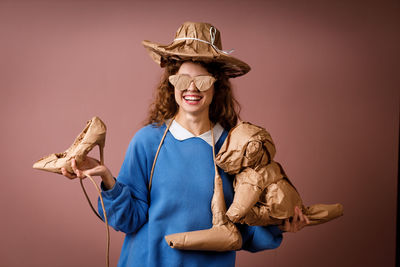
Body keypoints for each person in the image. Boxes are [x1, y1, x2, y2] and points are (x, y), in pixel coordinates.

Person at [61, 21, 309, 267]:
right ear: (171, 83)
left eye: (202, 80)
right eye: (183, 80)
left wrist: (279, 223)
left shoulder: (236, 148)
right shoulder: (148, 141)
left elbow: (242, 232)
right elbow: (129, 220)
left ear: (216, 86)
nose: (192, 88)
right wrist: (107, 178)